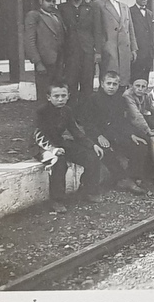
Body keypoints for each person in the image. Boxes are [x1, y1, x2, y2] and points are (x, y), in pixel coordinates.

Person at [33, 82, 108, 213]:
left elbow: (75, 131)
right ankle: (57, 200)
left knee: (91, 155)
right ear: (48, 97)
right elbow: (38, 135)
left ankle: (88, 190)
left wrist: (92, 144)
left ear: (68, 96)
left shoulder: (67, 110)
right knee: (59, 162)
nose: (60, 99)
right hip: (42, 147)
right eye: (56, 96)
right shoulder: (41, 112)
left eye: (63, 95)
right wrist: (53, 149)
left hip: (60, 143)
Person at [81, 71, 149, 195]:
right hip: (99, 134)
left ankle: (133, 176)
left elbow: (122, 121)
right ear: (102, 84)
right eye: (109, 83)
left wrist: (131, 135)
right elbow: (88, 122)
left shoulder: (119, 99)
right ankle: (122, 179)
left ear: (118, 85)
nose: (111, 87)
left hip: (116, 133)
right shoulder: (93, 99)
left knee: (140, 145)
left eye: (115, 84)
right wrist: (99, 136)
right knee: (106, 150)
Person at [57, 0, 99, 106]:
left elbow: (97, 30)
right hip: (70, 53)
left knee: (87, 85)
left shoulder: (92, 7)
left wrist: (98, 52)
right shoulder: (62, 8)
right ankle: (71, 117)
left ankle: (85, 117)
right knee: (70, 84)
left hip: (87, 52)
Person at [95, 0, 138, 87]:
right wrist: (99, 51)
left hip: (124, 49)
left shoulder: (124, 6)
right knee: (109, 80)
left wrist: (133, 49)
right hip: (109, 49)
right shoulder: (99, 5)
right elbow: (97, 30)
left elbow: (130, 29)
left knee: (123, 80)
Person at [25, 0, 66, 105]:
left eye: (53, 1)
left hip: (59, 59)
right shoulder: (34, 16)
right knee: (44, 93)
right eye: (48, 1)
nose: (51, 4)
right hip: (44, 60)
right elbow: (30, 40)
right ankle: (43, 119)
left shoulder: (57, 15)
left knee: (57, 91)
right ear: (40, 1)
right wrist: (37, 62)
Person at [130, 0, 154, 83]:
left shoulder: (149, 13)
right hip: (137, 53)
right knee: (135, 80)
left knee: (145, 80)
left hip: (148, 53)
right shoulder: (129, 11)